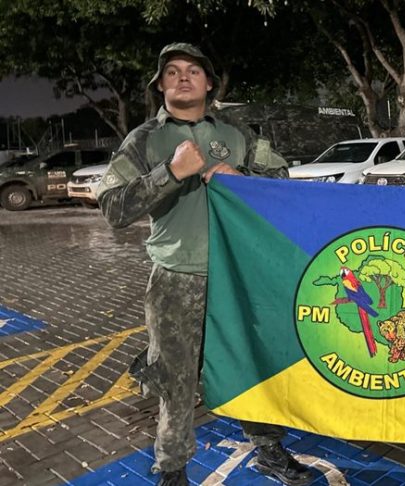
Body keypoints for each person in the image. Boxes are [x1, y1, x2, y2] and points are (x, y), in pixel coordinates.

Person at [97, 43, 314, 486]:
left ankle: (268, 450)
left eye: (193, 71)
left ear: (209, 83)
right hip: (176, 278)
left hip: (239, 275)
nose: (183, 77)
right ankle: (172, 467)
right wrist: (170, 172)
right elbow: (113, 208)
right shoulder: (144, 139)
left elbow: (282, 180)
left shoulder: (236, 134)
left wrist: (242, 179)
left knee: (251, 365)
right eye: (172, 71)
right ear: (160, 85)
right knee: (175, 379)